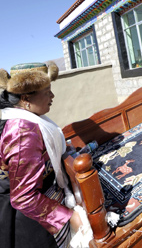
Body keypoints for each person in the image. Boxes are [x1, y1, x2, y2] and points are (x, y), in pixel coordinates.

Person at [0, 62, 82, 248]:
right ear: (26, 98)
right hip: (31, 221)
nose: (52, 96)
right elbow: (24, 197)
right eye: (47, 91)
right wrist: (68, 217)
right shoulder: (22, 132)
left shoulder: (33, 120)